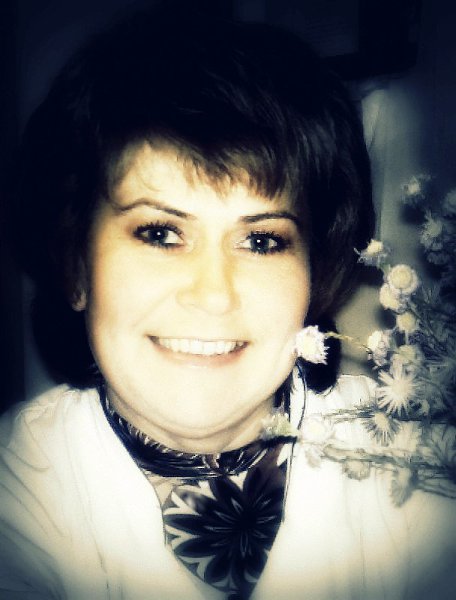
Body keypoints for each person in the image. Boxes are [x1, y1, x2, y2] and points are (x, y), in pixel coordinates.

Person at [1, 3, 454, 599]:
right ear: (76, 267)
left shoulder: (419, 464)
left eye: (261, 241)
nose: (214, 295)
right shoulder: (17, 485)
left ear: (314, 272)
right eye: (161, 233)